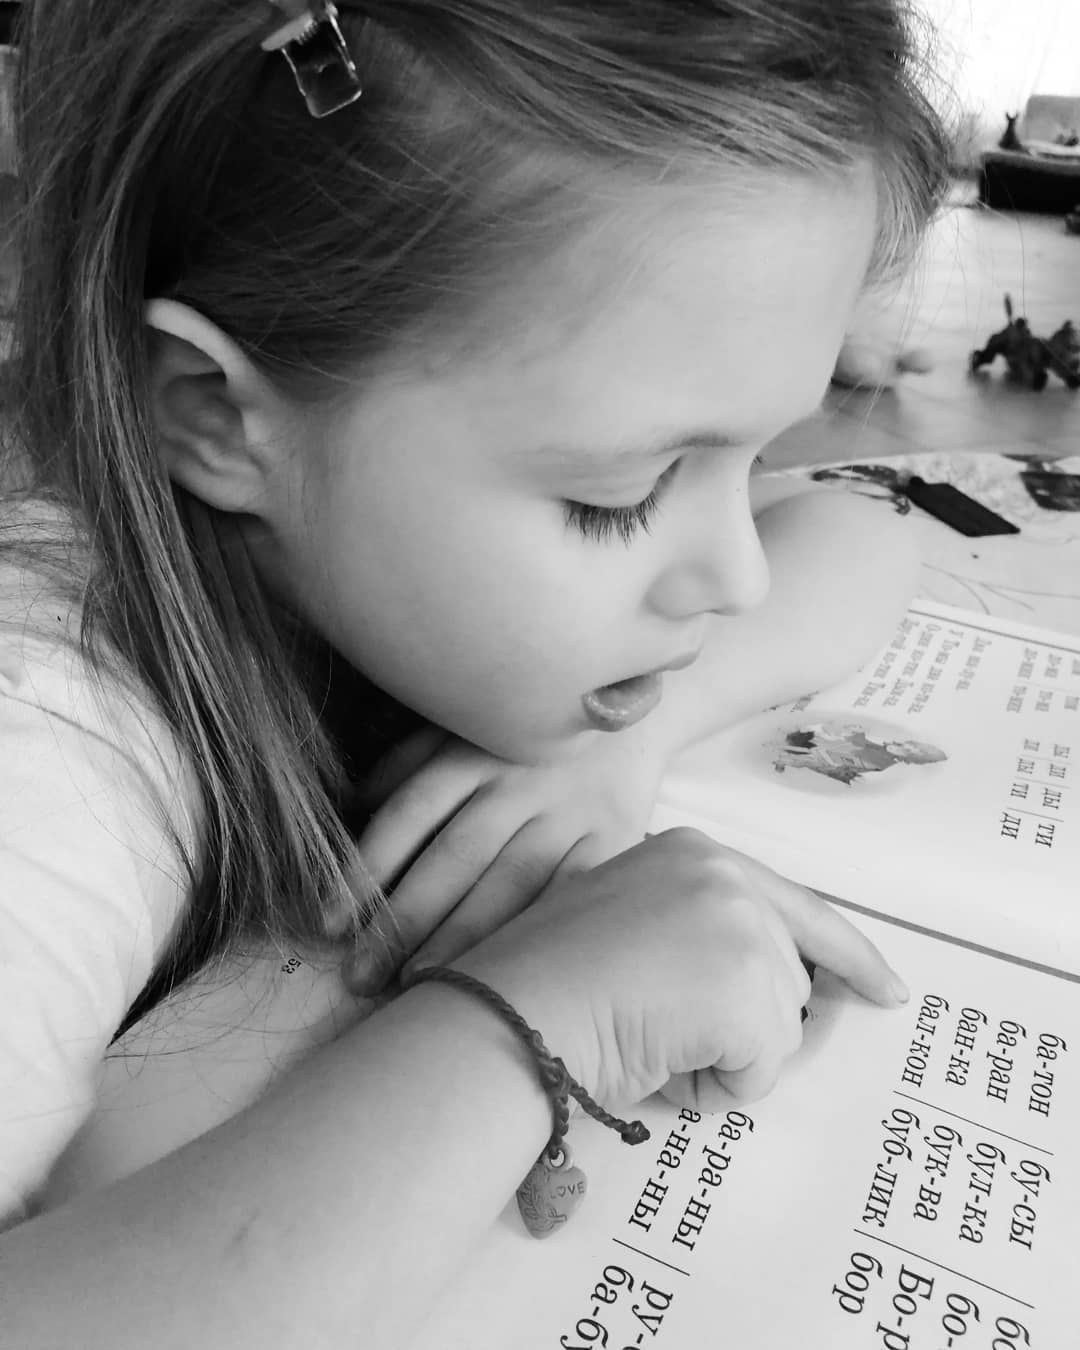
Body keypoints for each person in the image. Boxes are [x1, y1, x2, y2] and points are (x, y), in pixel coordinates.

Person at [0, 1, 950, 1344]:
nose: (736, 573)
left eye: (755, 453)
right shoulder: (46, 746)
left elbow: (867, 532)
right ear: (213, 416)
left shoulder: (421, 490)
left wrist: (631, 728)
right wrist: (536, 1021)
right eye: (621, 500)